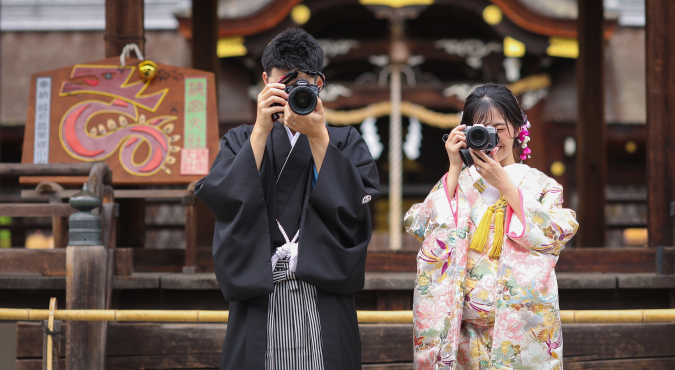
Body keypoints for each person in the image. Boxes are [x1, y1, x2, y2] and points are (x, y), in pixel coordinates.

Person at [195, 28, 381, 370]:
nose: (296, 92)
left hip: (323, 293)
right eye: (285, 82)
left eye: (305, 83)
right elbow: (224, 200)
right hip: (260, 294)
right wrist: (261, 129)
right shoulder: (241, 139)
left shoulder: (344, 140)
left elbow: (355, 206)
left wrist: (318, 136)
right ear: (266, 81)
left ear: (320, 84)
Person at [405, 84, 578, 370]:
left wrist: (506, 186)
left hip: (518, 330)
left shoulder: (541, 186)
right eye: (481, 130)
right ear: (465, 133)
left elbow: (556, 233)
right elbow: (421, 226)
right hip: (461, 331)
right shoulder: (459, 182)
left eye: (499, 129)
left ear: (518, 128)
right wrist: (454, 167)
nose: (492, 139)